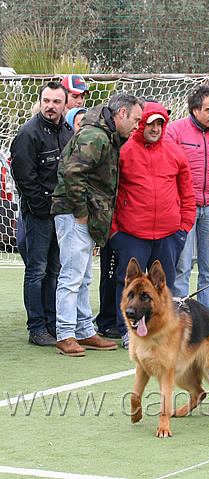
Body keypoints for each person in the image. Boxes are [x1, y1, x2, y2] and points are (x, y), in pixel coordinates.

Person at [50, 93, 144, 356]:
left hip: (85, 215)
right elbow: (72, 172)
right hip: (75, 214)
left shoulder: (106, 136)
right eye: (136, 120)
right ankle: (65, 334)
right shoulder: (96, 136)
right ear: (121, 114)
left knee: (84, 276)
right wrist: (81, 212)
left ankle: (83, 330)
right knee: (72, 276)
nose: (138, 125)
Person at [111, 101, 196, 350]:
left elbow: (187, 191)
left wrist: (184, 227)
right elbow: (111, 191)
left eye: (160, 123)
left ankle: (160, 332)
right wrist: (115, 231)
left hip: (169, 234)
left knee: (161, 287)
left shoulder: (174, 151)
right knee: (128, 285)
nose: (156, 128)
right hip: (131, 233)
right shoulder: (124, 151)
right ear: (141, 124)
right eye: (151, 123)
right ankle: (128, 331)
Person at [10, 81, 74, 347]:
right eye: (47, 100)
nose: (51, 106)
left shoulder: (68, 131)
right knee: (36, 270)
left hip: (62, 213)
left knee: (55, 270)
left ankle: (52, 323)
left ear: (64, 104)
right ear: (40, 101)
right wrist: (43, 208)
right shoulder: (28, 133)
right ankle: (37, 327)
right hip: (39, 215)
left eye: (57, 102)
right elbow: (24, 177)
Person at [167, 86, 209, 311]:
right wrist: (177, 203)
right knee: (182, 267)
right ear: (195, 110)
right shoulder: (174, 131)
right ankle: (180, 318)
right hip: (184, 210)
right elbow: (168, 170)